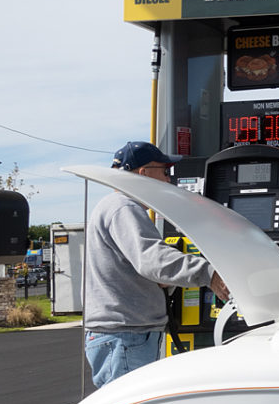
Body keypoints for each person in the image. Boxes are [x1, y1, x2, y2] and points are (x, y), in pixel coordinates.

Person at [83, 141, 230, 388]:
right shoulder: (123, 208)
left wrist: (168, 280)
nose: (168, 180)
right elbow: (151, 259)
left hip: (126, 335)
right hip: (126, 335)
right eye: (164, 172)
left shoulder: (116, 207)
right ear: (143, 173)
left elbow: (146, 268)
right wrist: (209, 273)